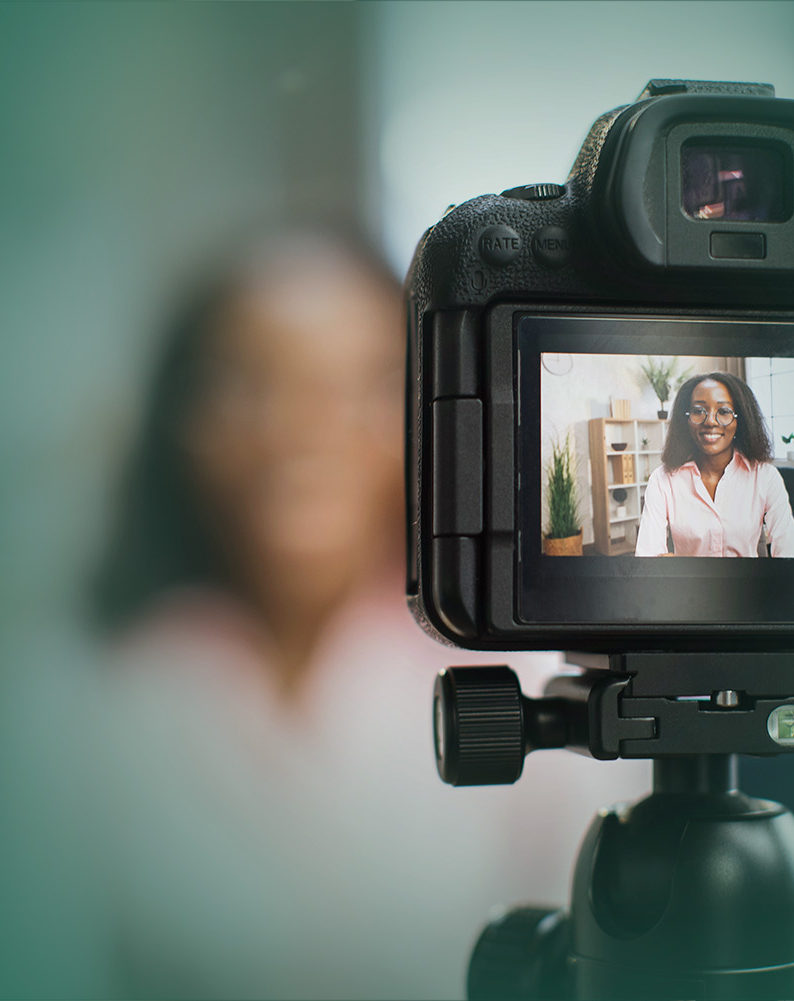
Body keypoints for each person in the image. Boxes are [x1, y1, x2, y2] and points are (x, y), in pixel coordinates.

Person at [59, 231, 647, 998]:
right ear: (181, 422)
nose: (300, 426)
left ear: (438, 414)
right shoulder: (79, 702)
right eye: (246, 381)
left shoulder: (539, 683)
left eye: (362, 383)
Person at [635, 371, 794, 558]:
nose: (710, 421)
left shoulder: (765, 476)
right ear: (686, 420)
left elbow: (791, 554)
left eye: (724, 412)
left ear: (741, 420)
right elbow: (648, 559)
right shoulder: (662, 480)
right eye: (698, 411)